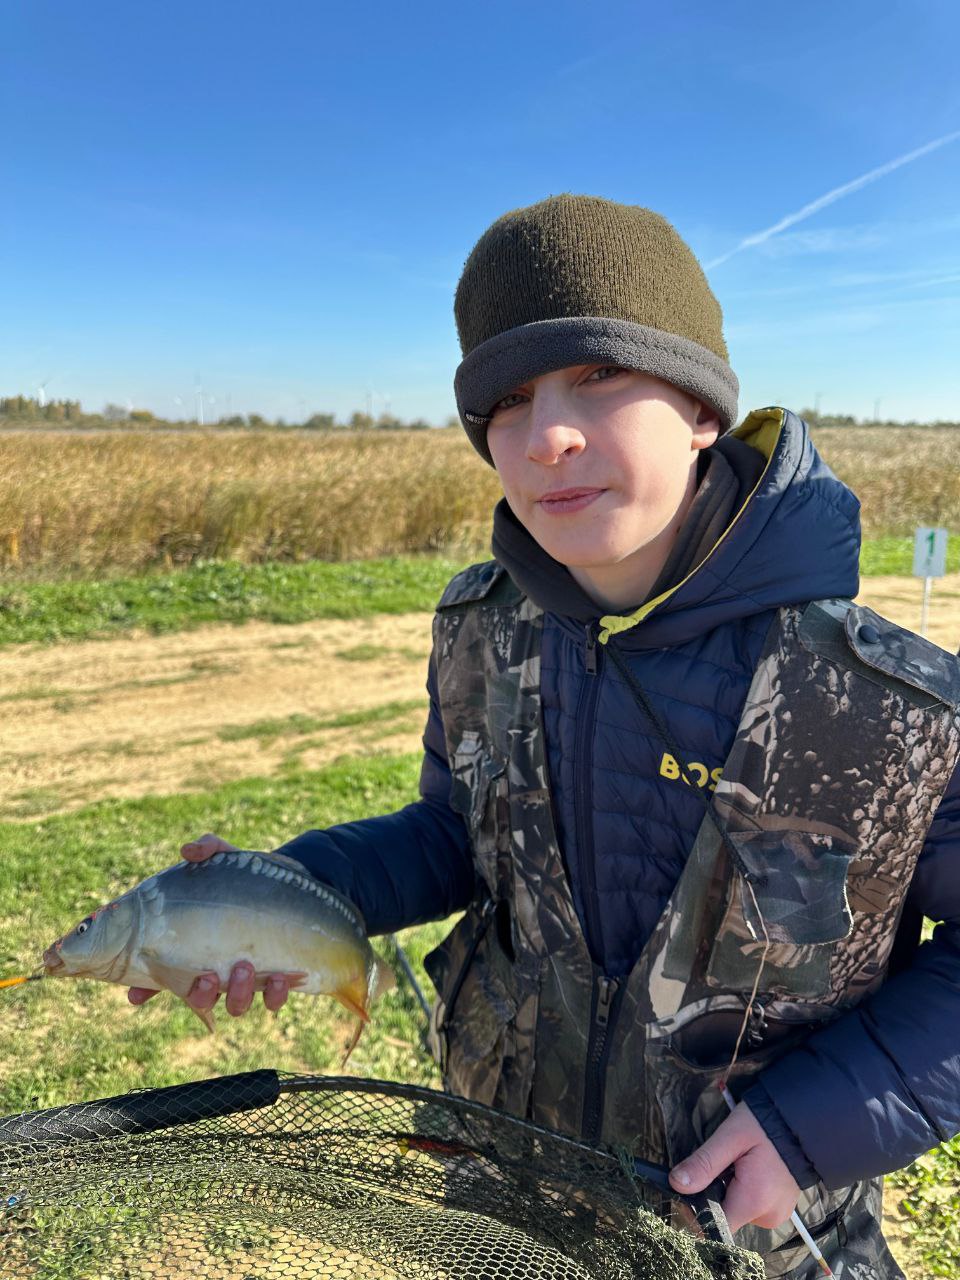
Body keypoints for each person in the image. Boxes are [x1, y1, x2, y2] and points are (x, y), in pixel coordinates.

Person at [129, 195, 960, 1279]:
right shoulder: (483, 629)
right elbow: (456, 833)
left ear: (702, 408)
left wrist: (817, 1126)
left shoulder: (890, 707)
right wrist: (290, 888)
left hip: (757, 1242)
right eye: (507, 400)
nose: (547, 436)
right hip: (506, 1208)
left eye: (600, 374)